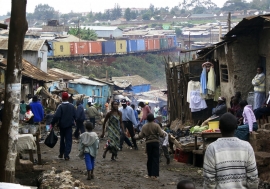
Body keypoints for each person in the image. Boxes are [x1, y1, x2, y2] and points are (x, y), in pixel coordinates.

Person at [203, 113, 259, 189]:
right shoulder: (247, 147)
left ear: (219, 127)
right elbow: (253, 178)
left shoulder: (212, 148)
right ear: (236, 127)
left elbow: (209, 181)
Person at [135, 114, 166, 180]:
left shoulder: (144, 126)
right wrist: (164, 134)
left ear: (147, 119)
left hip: (148, 143)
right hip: (155, 143)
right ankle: (154, 175)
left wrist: (135, 138)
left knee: (150, 159)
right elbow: (161, 134)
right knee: (155, 158)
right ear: (154, 119)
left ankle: (149, 174)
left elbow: (140, 136)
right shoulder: (156, 125)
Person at [51, 92, 76, 161]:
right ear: (68, 98)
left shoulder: (60, 106)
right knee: (68, 140)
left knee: (62, 140)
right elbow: (75, 115)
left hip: (62, 126)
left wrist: (52, 123)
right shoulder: (72, 106)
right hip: (69, 126)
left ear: (62, 98)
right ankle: (66, 155)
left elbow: (56, 116)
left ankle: (61, 153)